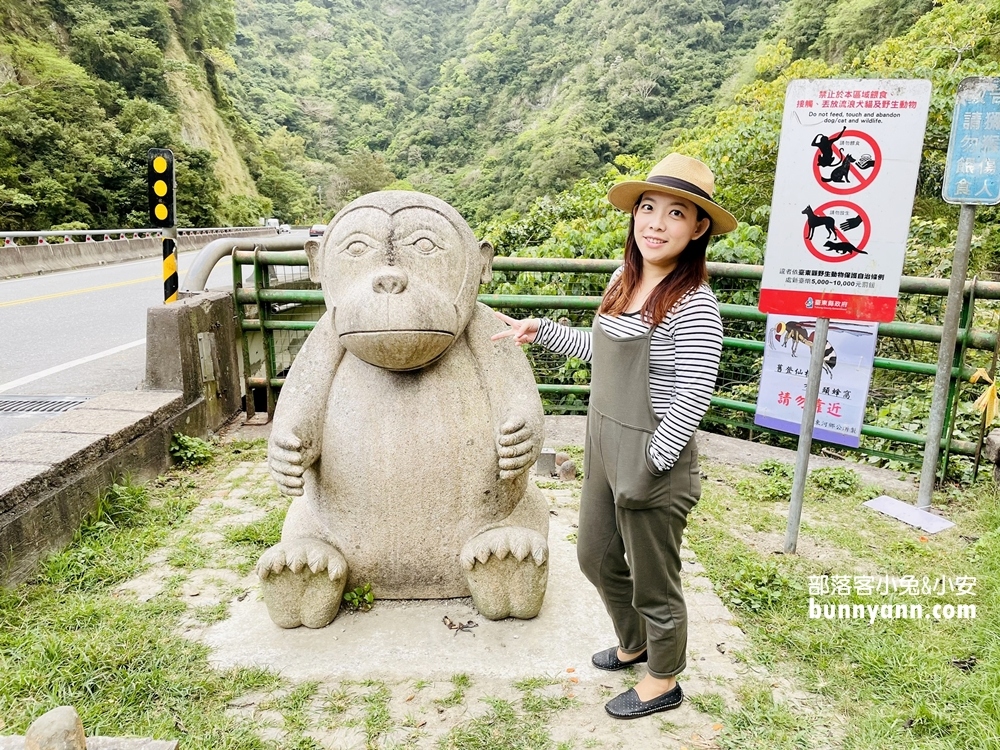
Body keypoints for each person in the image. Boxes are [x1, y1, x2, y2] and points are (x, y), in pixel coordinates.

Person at [492, 153, 737, 719]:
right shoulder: (622, 280)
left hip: (654, 454)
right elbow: (602, 354)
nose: (655, 223)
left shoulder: (694, 304)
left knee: (656, 577)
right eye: (647, 208)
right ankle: (636, 642)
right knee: (595, 555)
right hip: (604, 441)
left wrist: (648, 465)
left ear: (698, 228)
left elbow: (693, 396)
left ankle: (664, 676)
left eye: (676, 214)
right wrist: (544, 331)